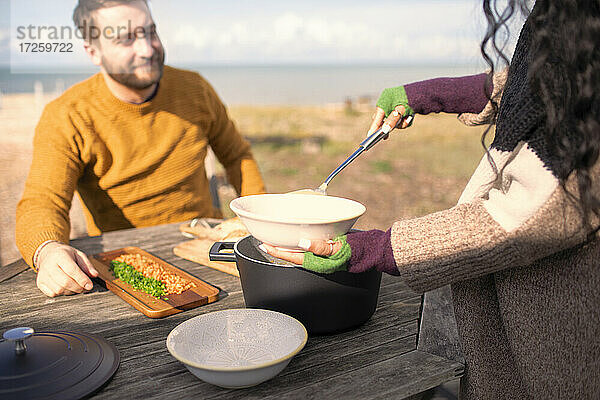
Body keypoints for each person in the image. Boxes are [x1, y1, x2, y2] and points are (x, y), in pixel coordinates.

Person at [262, 0, 599, 398]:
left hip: (552, 328)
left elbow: (523, 217)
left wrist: (377, 249)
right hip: (512, 306)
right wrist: (433, 94)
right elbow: (544, 82)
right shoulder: (567, 13)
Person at [16, 0, 266, 298]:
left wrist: (263, 219)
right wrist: (48, 250)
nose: (148, 49)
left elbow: (237, 156)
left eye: (151, 31)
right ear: (93, 51)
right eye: (126, 39)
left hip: (206, 247)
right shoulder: (67, 115)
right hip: (127, 268)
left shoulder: (195, 88)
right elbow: (42, 200)